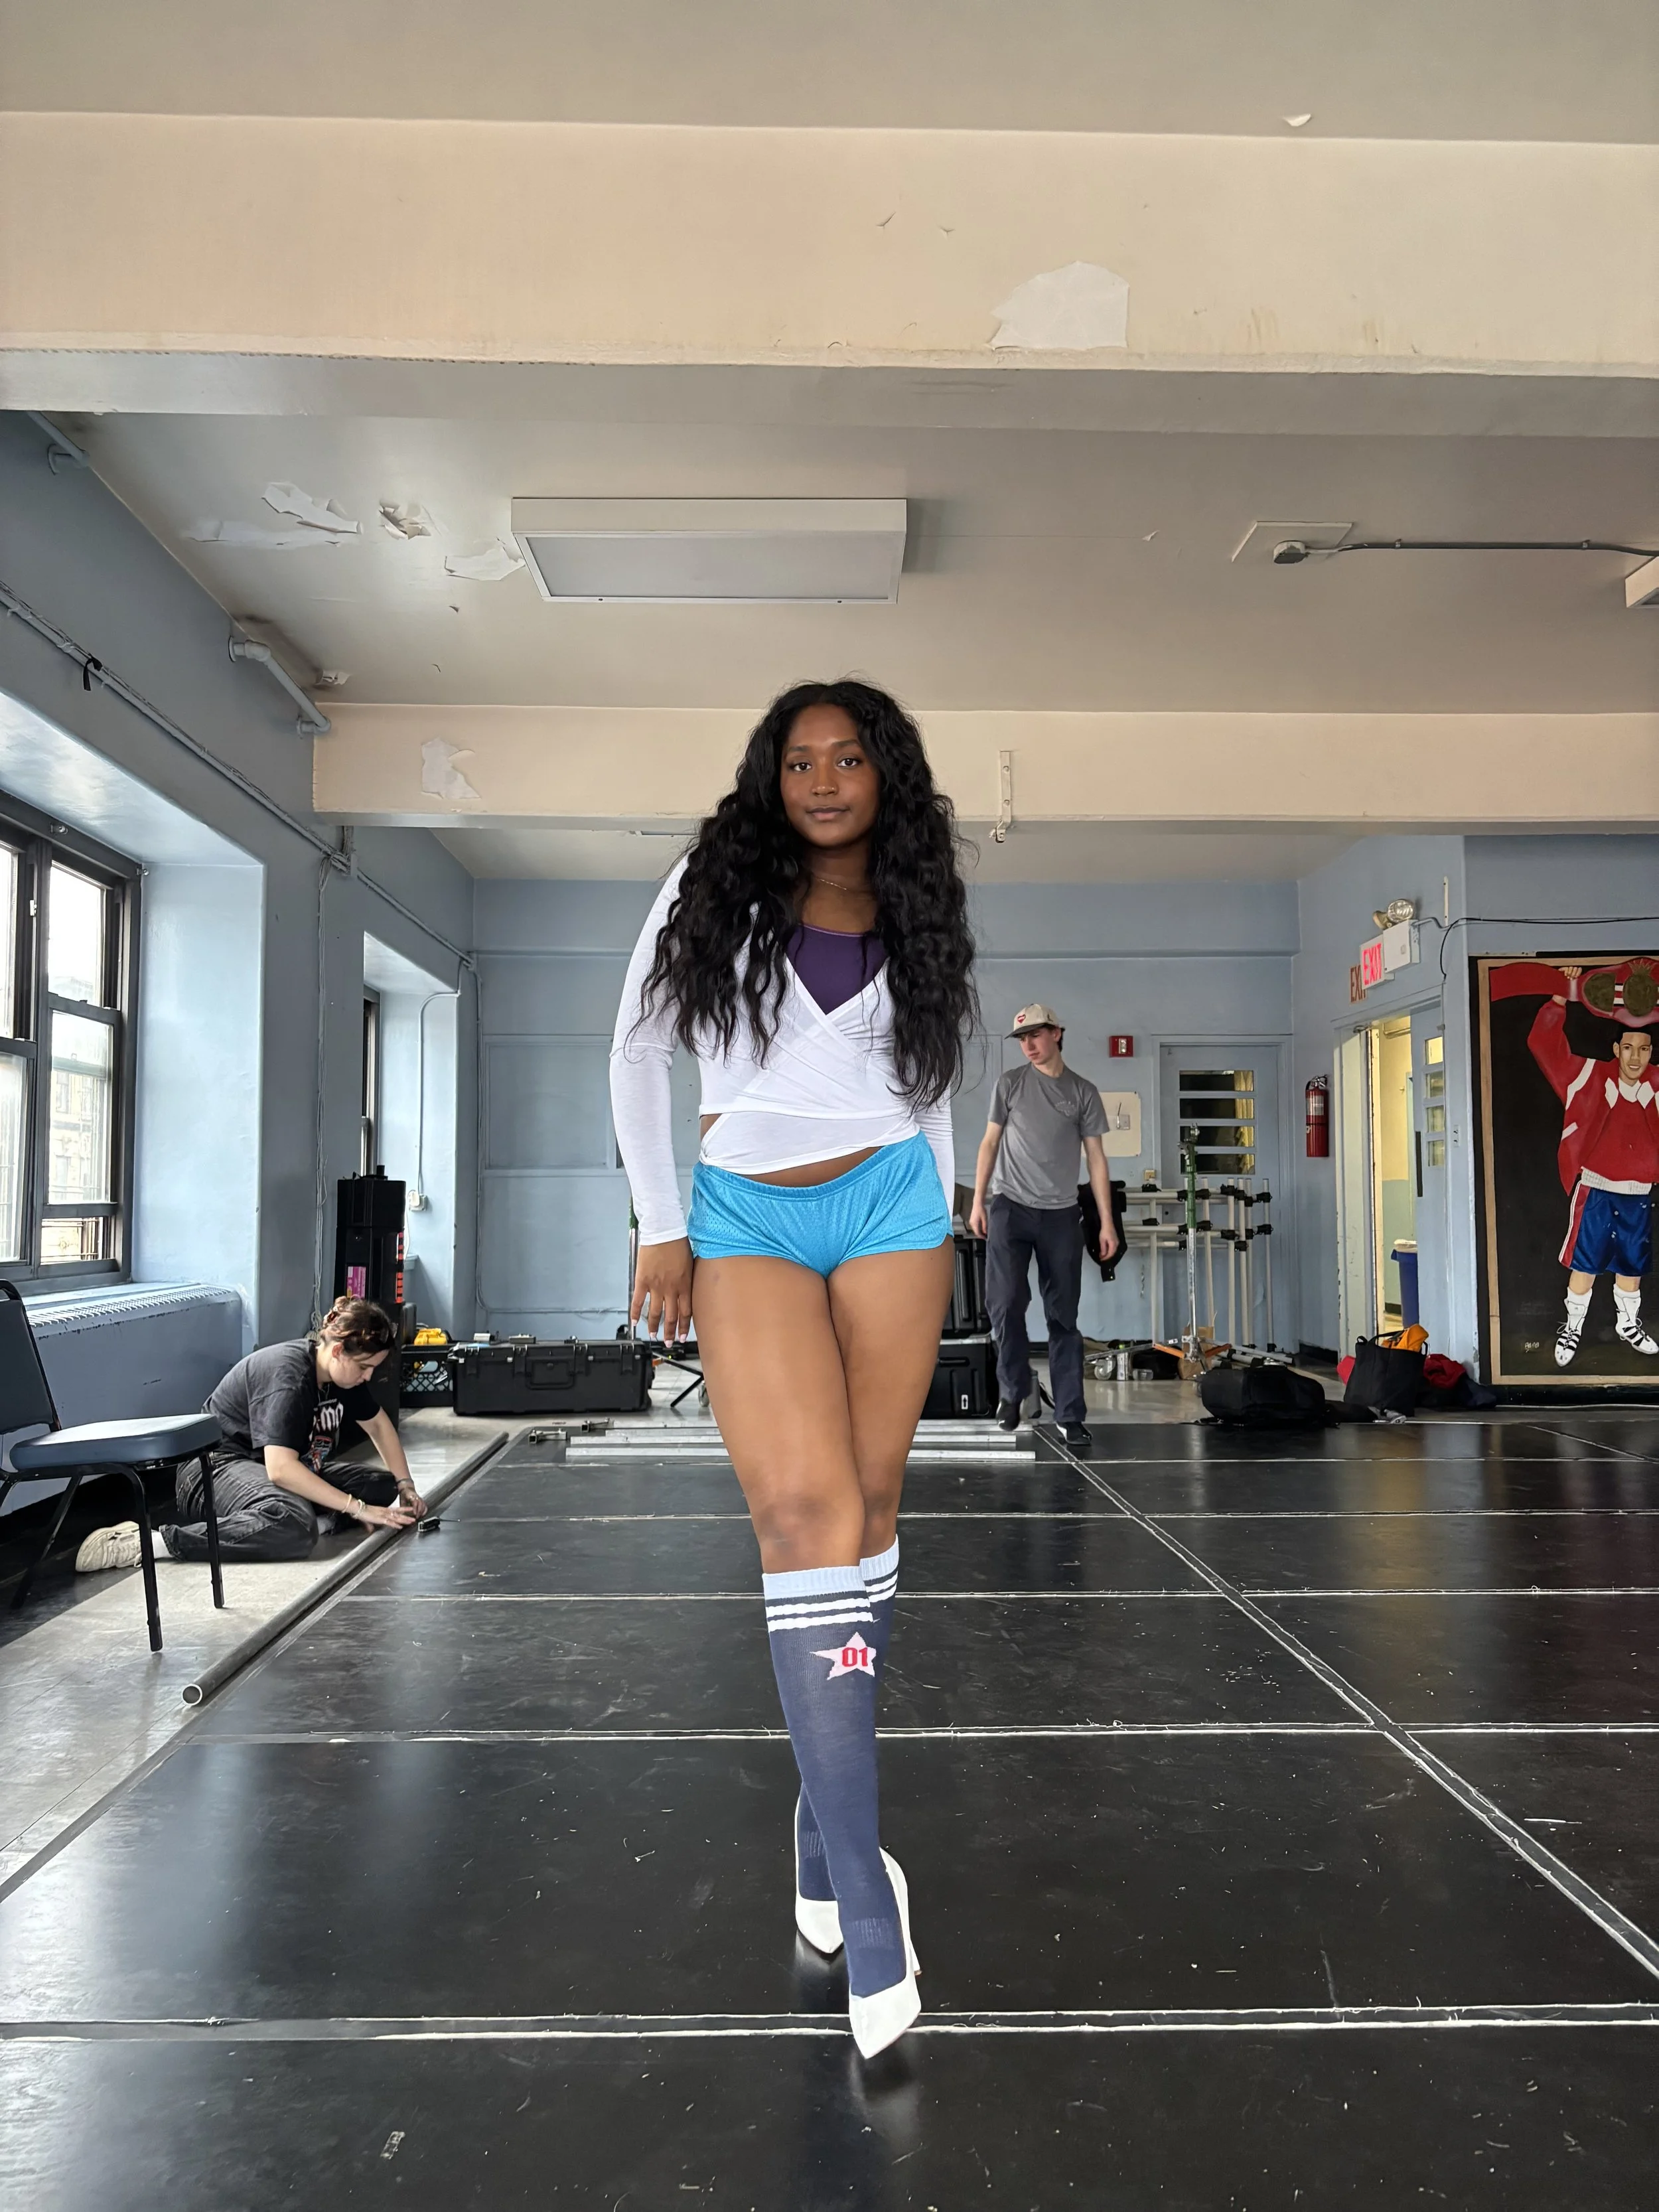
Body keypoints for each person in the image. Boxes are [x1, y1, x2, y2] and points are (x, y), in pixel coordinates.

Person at [610, 678, 975, 2059]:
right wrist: (661, 1221)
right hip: (744, 1207)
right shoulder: (713, 881)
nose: (825, 777)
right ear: (771, 774)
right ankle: (869, 1893)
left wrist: (939, 1213)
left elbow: (932, 1084)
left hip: (891, 1206)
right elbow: (637, 1046)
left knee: (869, 1516)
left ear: (888, 773)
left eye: (851, 755)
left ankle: (825, 1836)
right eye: (801, 757)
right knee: (803, 1519)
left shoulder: (919, 897)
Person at [74, 1296, 427, 1571]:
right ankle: (152, 1543)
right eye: (365, 1368)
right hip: (213, 1470)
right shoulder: (288, 1377)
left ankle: (301, 1519)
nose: (367, 1378)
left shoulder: (341, 1375)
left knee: (380, 1486)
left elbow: (379, 1424)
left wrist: (405, 1486)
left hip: (265, 1470)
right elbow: (280, 1470)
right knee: (295, 1526)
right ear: (337, 1350)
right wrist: (358, 1509)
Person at [968, 1003, 1120, 1447]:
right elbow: (989, 1142)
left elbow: (1096, 1158)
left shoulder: (1083, 1092)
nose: (1029, 1045)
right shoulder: (1010, 1084)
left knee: (1063, 1317)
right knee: (1006, 1302)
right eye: (1022, 1039)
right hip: (1009, 1207)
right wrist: (978, 1201)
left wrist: (1106, 1222)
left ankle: (1070, 1413)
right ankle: (1013, 1392)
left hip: (1060, 1215)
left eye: (1036, 1035)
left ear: (1057, 1033)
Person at [1528, 970, 1659, 1367]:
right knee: (1585, 1264)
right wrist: (1558, 1000)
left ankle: (1628, 1324)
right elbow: (1545, 1045)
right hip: (1597, 1189)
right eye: (1629, 1048)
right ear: (1617, 1050)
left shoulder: (1657, 1084)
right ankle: (1572, 1328)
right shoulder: (1587, 1076)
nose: (1636, 1058)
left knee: (1631, 1265)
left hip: (1640, 1192)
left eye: (1645, 1049)